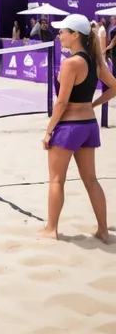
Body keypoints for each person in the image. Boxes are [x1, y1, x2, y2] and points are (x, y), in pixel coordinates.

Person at [40, 14, 116, 244]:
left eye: (62, 31)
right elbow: (114, 87)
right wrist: (92, 105)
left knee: (56, 180)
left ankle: (51, 229)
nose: (59, 35)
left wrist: (48, 131)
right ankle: (103, 230)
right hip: (89, 126)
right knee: (91, 180)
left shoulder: (71, 63)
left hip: (69, 127)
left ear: (75, 35)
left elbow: (61, 103)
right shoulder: (95, 61)